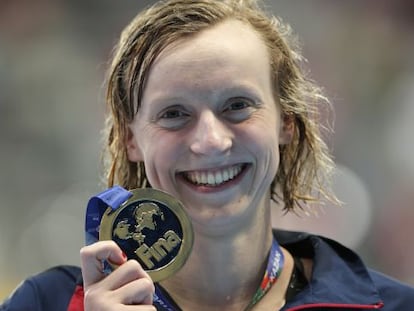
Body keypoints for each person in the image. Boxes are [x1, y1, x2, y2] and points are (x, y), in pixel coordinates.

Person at [2, 0, 414, 310]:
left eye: (237, 106)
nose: (210, 141)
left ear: (286, 121)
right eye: (174, 114)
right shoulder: (49, 302)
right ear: (132, 139)